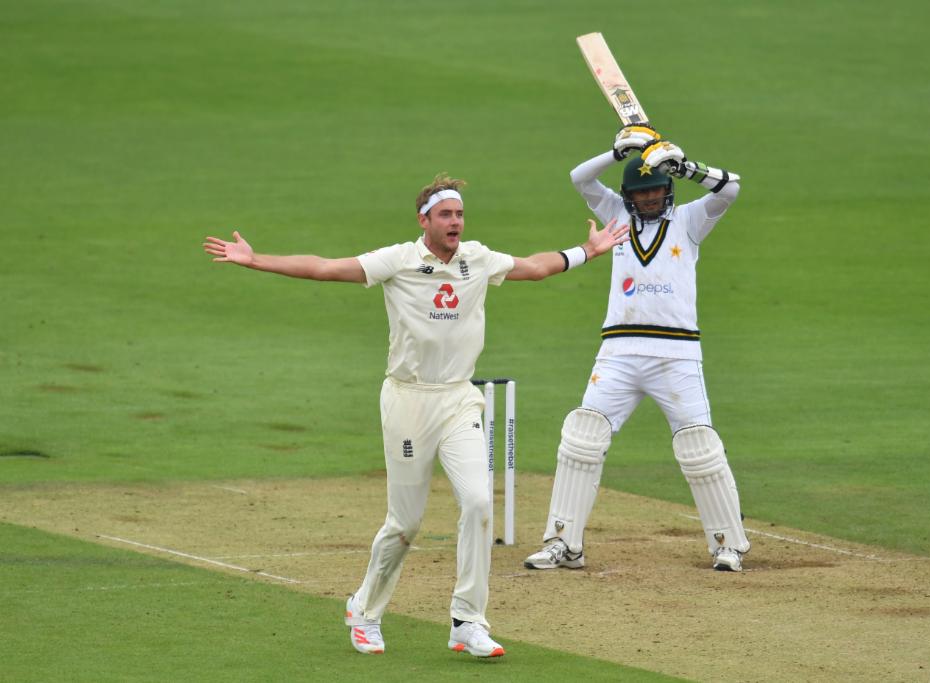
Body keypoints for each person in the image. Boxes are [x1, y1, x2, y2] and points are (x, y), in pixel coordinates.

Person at [203, 173, 627, 657]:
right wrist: (256, 259)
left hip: (459, 399)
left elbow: (534, 267)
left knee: (479, 504)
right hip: (408, 400)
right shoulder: (398, 260)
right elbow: (324, 268)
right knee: (405, 524)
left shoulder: (477, 259)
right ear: (424, 220)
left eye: (459, 214)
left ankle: (468, 621)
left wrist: (588, 250)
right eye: (445, 215)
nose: (455, 222)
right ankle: (365, 609)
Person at [523, 125, 751, 573]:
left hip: (677, 354)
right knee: (583, 436)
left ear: (668, 189)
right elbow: (579, 178)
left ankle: (729, 545)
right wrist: (616, 152)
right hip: (619, 351)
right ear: (628, 197)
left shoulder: (689, 220)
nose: (648, 199)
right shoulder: (616, 216)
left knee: (699, 446)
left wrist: (685, 167)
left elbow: (730, 189)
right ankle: (564, 543)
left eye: (656, 190)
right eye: (641, 193)